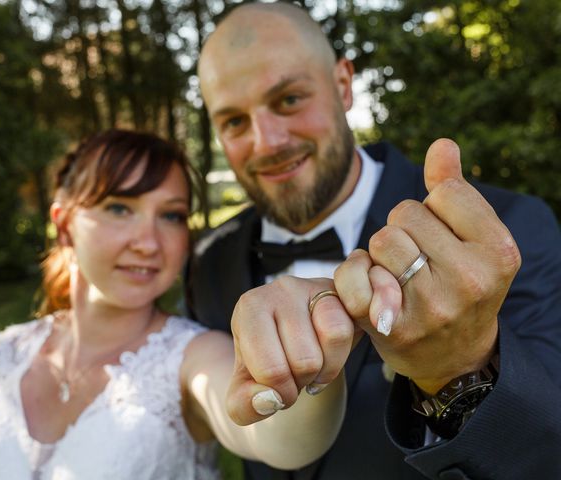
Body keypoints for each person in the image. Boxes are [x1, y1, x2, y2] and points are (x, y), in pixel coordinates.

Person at [188, 2, 561, 479]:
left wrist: (458, 368)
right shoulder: (208, 259)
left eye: (288, 100)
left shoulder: (503, 230)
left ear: (343, 85)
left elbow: (547, 455)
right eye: (235, 122)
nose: (267, 142)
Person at [0, 129, 350, 480]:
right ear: (65, 225)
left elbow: (280, 440)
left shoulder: (193, 357)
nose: (148, 243)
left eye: (172, 216)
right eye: (120, 208)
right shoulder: (4, 355)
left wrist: (305, 356)